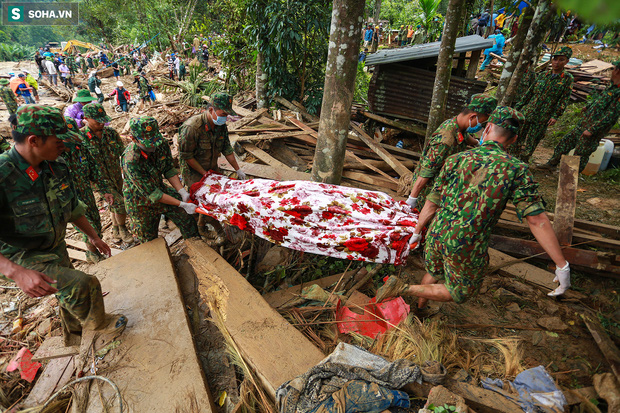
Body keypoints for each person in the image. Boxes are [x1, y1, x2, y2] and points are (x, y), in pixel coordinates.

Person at [377, 107, 571, 308]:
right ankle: (403, 289)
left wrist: (418, 232)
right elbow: (536, 219)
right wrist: (561, 264)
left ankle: (420, 309)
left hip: (436, 232)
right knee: (459, 291)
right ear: (513, 140)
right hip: (467, 241)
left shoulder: (456, 159)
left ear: (486, 129)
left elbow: (432, 202)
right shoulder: (516, 170)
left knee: (434, 272)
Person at [0, 105, 127, 346]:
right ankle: (99, 325)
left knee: (66, 291)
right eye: (58, 140)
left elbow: (71, 207)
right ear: (34, 140)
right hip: (19, 256)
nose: (64, 145)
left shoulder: (56, 167)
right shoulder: (3, 175)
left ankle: (74, 337)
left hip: (53, 244)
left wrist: (92, 236)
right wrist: (16, 272)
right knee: (82, 284)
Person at [406, 94, 498, 210]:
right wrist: (412, 199)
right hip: (427, 194)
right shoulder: (445, 140)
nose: (480, 127)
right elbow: (426, 172)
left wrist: (476, 143)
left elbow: (464, 136)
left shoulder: (457, 125)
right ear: (472, 117)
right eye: (481, 123)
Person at [121, 117, 200, 244]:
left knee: (186, 217)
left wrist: (182, 192)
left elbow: (168, 169)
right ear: (134, 139)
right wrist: (181, 204)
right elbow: (154, 194)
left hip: (159, 189)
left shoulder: (161, 144)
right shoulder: (131, 160)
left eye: (155, 141)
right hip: (139, 202)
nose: (153, 146)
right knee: (149, 240)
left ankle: (196, 247)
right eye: (148, 143)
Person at [178, 92, 246, 238]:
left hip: (211, 167)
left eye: (227, 114)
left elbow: (227, 149)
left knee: (218, 195)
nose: (225, 118)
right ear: (211, 110)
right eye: (223, 114)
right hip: (193, 170)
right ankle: (213, 230)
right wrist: (204, 173)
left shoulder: (220, 127)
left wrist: (238, 169)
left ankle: (203, 223)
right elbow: (186, 156)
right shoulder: (192, 128)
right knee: (206, 198)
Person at [542, 60, 620, 172]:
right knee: (565, 143)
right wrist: (588, 107)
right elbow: (600, 101)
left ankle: (569, 180)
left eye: (613, 70)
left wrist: (592, 130)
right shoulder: (612, 87)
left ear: (617, 71)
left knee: (579, 155)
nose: (611, 72)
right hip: (583, 124)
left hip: (592, 130)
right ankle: (551, 164)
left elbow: (611, 116)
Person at [80, 103, 134, 244]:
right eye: (97, 120)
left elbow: (121, 152)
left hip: (116, 174)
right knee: (120, 204)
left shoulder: (110, 133)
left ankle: (115, 227)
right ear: (86, 119)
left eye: (103, 119)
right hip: (99, 181)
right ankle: (123, 228)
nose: (101, 123)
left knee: (114, 203)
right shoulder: (80, 138)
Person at [58, 117, 110, 263]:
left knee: (96, 225)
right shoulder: (52, 158)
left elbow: (94, 170)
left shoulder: (79, 147)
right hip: (69, 200)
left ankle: (93, 251)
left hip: (86, 194)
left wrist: (104, 189)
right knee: (89, 228)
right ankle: (93, 254)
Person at [511, 46, 574, 163]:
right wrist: (518, 107)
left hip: (543, 115)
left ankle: (523, 161)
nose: (557, 62)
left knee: (533, 140)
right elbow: (529, 93)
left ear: (567, 61)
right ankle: (512, 159)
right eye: (555, 59)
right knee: (518, 135)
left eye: (561, 59)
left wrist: (556, 115)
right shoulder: (543, 75)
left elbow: (564, 99)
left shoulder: (567, 79)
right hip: (529, 111)